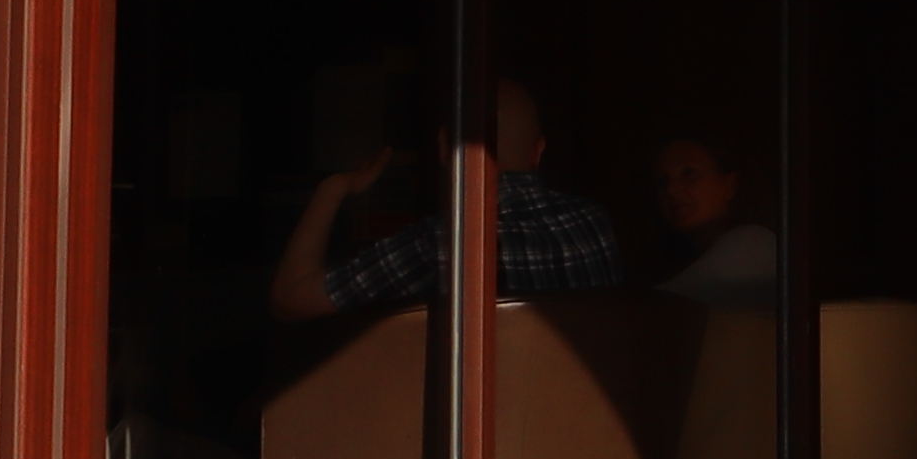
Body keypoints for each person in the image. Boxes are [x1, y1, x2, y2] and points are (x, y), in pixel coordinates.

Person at [267, 78, 624, 322]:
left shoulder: (441, 242)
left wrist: (334, 188)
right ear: (539, 149)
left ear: (443, 148)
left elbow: (290, 299)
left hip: (478, 431)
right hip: (576, 425)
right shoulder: (596, 223)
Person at [646, 133, 778, 305]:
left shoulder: (756, 243)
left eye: (688, 173)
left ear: (730, 184)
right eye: (663, 182)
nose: (671, 189)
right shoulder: (670, 267)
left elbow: (657, 306)